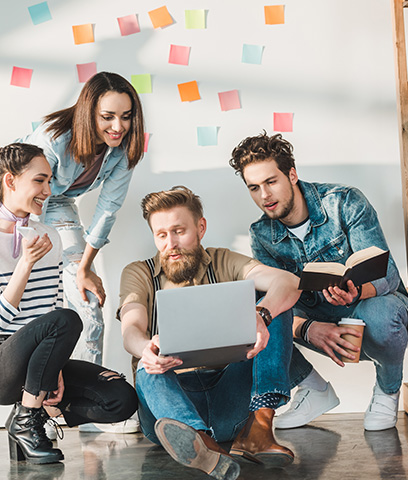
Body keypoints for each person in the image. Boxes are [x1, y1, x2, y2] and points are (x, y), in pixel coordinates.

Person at [0, 143, 137, 464]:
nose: (49, 190)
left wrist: (52, 369)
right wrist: (24, 265)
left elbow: (49, 312)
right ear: (10, 181)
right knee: (68, 319)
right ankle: (29, 418)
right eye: (40, 181)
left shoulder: (49, 235)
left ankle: (29, 415)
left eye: (51, 181)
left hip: (39, 360)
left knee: (121, 399)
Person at [229, 132, 408, 432]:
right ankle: (312, 387)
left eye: (271, 182)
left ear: (292, 175)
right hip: (316, 325)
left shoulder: (344, 202)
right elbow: (276, 302)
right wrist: (307, 328)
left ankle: (388, 388)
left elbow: (388, 274)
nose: (264, 195)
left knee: (383, 311)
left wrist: (356, 293)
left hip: (366, 318)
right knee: (249, 307)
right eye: (254, 188)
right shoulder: (262, 234)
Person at [118, 186, 301, 480]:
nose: (171, 244)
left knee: (275, 307)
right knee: (145, 367)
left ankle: (259, 429)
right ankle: (200, 444)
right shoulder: (140, 272)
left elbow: (288, 282)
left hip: (229, 397)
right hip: (170, 412)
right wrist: (146, 348)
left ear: (200, 227)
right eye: (161, 235)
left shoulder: (223, 260)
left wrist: (261, 314)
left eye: (179, 231)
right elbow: (131, 329)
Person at [15, 71, 144, 433]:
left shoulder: (124, 149)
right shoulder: (54, 139)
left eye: (127, 115)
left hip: (57, 204)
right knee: (30, 296)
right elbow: (24, 192)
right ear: (90, 113)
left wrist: (84, 266)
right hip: (17, 201)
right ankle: (30, 408)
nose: (118, 126)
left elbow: (107, 208)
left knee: (87, 299)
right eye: (108, 117)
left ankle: (87, 409)